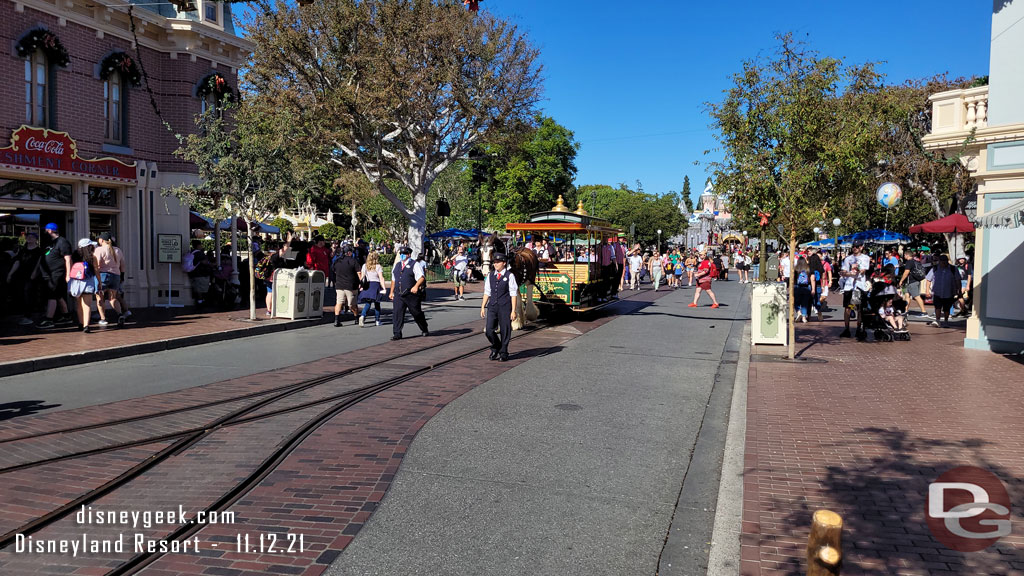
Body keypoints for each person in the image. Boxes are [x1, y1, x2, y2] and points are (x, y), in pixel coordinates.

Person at [480, 252, 518, 362]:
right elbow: (487, 292)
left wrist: (513, 310)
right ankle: (496, 346)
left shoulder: (509, 276)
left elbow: (513, 294)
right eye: (494, 262)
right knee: (489, 330)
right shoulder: (491, 275)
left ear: (504, 263)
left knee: (505, 330)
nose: (495, 264)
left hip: (505, 306)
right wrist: (483, 306)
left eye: (498, 262)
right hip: (492, 306)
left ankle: (504, 352)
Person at [37, 223, 74, 328]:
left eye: (46, 230)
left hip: (57, 273)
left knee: (52, 295)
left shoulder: (62, 242)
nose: (44, 232)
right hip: (50, 274)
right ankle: (66, 317)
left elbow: (68, 259)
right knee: (58, 295)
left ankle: (49, 320)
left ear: (50, 231)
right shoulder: (51, 243)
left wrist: (68, 275)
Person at [389, 246, 428, 340]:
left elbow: (421, 277)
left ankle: (424, 328)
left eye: (404, 254)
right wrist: (391, 292)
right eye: (401, 254)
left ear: (409, 254)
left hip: (411, 294)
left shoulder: (415, 264)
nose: (402, 255)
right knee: (397, 313)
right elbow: (393, 279)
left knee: (416, 313)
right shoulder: (397, 265)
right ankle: (397, 333)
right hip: (399, 293)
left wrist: (416, 286)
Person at [6, 232, 43, 325]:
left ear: (36, 239)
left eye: (31, 237)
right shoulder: (23, 250)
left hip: (32, 276)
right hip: (21, 275)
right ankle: (24, 315)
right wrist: (10, 274)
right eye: (28, 237)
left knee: (29, 294)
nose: (29, 238)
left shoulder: (39, 250)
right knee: (21, 294)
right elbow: (17, 262)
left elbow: (39, 263)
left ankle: (29, 316)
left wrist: (35, 273)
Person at [69, 238, 102, 333]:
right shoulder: (92, 257)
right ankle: (86, 325)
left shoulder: (74, 256)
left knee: (78, 304)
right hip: (88, 281)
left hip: (76, 282)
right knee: (87, 304)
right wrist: (99, 282)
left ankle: (80, 323)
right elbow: (96, 271)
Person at [839, 240, 871, 338]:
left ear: (861, 247)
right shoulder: (848, 259)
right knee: (848, 307)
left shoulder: (865, 258)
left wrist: (855, 271)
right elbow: (844, 271)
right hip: (849, 286)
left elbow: (862, 271)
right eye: (853, 246)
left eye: (857, 246)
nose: (855, 248)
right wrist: (847, 273)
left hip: (859, 286)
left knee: (860, 308)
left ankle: (858, 328)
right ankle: (846, 328)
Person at [94, 232, 125, 327]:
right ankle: (120, 314)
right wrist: (122, 276)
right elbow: (123, 265)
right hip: (116, 275)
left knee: (100, 297)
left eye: (99, 239)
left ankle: (103, 318)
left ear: (102, 240)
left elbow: (97, 264)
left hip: (103, 275)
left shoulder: (99, 250)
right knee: (113, 298)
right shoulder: (118, 250)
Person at [925, 254, 961, 328]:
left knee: (946, 308)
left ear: (947, 261)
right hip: (937, 291)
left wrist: (959, 290)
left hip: (949, 292)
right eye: (942, 261)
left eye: (945, 261)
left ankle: (946, 321)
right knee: (937, 307)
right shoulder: (934, 269)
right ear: (939, 261)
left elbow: (958, 280)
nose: (943, 263)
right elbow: (928, 280)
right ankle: (937, 321)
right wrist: (927, 291)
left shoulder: (953, 269)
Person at [332, 245, 360, 327]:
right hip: (351, 285)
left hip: (339, 285)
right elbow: (359, 273)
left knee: (339, 302)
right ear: (349, 252)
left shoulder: (337, 261)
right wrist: (361, 282)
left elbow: (334, 271)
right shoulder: (353, 261)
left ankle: (336, 320)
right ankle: (356, 318)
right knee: (352, 304)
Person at [358, 251, 386, 326]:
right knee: (377, 303)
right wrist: (384, 288)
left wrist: (361, 286)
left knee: (368, 303)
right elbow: (381, 278)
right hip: (376, 285)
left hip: (368, 285)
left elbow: (362, 277)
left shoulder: (365, 266)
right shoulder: (378, 266)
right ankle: (377, 320)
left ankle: (363, 315)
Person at [897, 250, 929, 317]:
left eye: (905, 255)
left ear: (907, 255)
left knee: (916, 296)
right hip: (913, 281)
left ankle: (924, 312)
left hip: (912, 281)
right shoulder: (915, 261)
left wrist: (901, 280)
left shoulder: (909, 262)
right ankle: (905, 310)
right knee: (907, 296)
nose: (904, 256)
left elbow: (906, 272)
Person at [793, 256, 816, 323]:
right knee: (805, 303)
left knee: (796, 302)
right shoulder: (808, 269)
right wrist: (813, 289)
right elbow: (813, 279)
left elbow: (793, 279)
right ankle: (804, 317)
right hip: (807, 287)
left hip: (797, 287)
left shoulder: (796, 269)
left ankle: (798, 312)